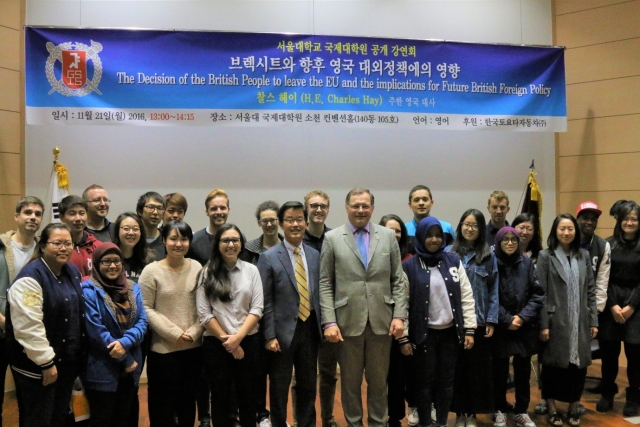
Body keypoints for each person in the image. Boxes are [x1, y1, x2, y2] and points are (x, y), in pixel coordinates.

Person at [319, 187, 407, 427]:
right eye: (355, 205)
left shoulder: (387, 236)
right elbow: (326, 283)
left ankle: (379, 424)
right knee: (350, 383)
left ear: (372, 208)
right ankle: (354, 424)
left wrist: (399, 316)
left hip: (382, 322)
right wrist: (329, 321)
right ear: (347, 208)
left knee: (379, 384)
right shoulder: (332, 238)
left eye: (365, 205)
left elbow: (397, 279)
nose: (360, 210)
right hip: (347, 323)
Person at [6, 223, 86, 427]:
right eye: (57, 243)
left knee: (59, 417)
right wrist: (46, 362)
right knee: (38, 419)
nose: (64, 248)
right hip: (38, 366)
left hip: (66, 363)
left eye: (68, 243)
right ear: (42, 246)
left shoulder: (71, 271)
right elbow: (28, 326)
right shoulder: (30, 278)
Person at [403, 217, 476, 427]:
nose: (434, 240)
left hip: (450, 335)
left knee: (446, 384)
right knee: (424, 384)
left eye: (438, 235)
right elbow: (403, 303)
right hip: (423, 335)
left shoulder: (453, 261)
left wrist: (470, 329)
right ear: (420, 237)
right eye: (429, 235)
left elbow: (466, 296)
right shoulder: (410, 266)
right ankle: (426, 423)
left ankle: (442, 423)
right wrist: (405, 337)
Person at [259, 202, 322, 427]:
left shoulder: (315, 255)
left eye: (299, 220)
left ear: (306, 222)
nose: (295, 224)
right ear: (281, 224)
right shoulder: (268, 257)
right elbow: (264, 301)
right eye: (289, 220)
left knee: (307, 384)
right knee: (279, 386)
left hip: (310, 328)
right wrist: (269, 336)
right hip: (281, 333)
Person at [196, 223, 263, 427]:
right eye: (226, 240)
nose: (231, 244)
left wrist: (238, 339)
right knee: (219, 397)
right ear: (218, 244)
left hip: (248, 343)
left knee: (248, 397)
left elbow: (257, 308)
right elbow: (204, 314)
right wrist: (229, 342)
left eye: (235, 240)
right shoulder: (207, 273)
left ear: (241, 244)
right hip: (217, 345)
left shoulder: (251, 270)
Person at [140, 221, 204, 427]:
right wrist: (174, 332)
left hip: (193, 348)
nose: (179, 243)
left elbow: (205, 306)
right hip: (162, 350)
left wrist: (194, 331)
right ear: (164, 241)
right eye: (173, 238)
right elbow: (146, 308)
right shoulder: (151, 271)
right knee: (162, 406)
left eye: (183, 239)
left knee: (187, 403)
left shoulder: (197, 267)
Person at [537, 214, 598, 427]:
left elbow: (590, 291)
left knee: (578, 367)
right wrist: (543, 324)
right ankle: (552, 408)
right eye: (562, 228)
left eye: (570, 228)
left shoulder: (583, 255)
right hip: (555, 321)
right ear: (555, 231)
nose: (566, 233)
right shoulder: (546, 256)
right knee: (553, 367)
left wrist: (594, 321)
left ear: (575, 231)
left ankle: (574, 406)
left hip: (579, 321)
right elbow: (540, 293)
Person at [81, 243, 148, 427]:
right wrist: (125, 360)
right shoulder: (88, 290)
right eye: (106, 261)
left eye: (116, 261)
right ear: (96, 263)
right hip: (102, 367)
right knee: (102, 419)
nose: (112, 266)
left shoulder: (133, 288)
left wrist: (125, 343)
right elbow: (95, 330)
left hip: (130, 370)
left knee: (124, 418)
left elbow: (142, 321)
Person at [447, 209, 499, 427]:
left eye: (475, 225)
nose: (469, 228)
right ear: (460, 227)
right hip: (452, 323)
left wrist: (491, 319)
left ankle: (472, 414)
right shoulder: (449, 253)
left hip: (478, 323)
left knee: (476, 371)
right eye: (466, 224)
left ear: (480, 230)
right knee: (456, 370)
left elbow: (494, 288)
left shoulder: (489, 256)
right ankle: (459, 412)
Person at [491, 226, 544, 427]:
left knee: (523, 371)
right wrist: (506, 319)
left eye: (514, 239)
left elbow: (537, 294)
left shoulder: (527, 263)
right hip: (501, 327)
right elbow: (488, 296)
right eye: (506, 240)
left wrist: (521, 318)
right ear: (498, 242)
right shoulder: (491, 263)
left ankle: (521, 411)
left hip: (524, 327)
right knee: (499, 370)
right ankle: (499, 409)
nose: (511, 243)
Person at [0, 196, 45, 426]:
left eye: (38, 214)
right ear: (16, 216)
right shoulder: (0, 247)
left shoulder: (45, 250)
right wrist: (5, 322)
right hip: (1, 332)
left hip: (29, 338)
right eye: (28, 212)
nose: (33, 217)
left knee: (30, 402)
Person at [596, 202, 640, 416]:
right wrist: (613, 305)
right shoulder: (608, 244)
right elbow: (603, 279)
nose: (630, 222)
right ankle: (607, 395)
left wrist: (631, 306)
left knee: (635, 356)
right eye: (626, 218)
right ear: (619, 220)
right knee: (609, 356)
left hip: (637, 306)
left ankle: (633, 398)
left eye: (634, 219)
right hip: (611, 303)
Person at [302, 190, 339, 427]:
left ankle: (328, 419)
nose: (318, 209)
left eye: (323, 206)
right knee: (302, 377)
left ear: (328, 209)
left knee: (328, 373)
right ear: (306, 209)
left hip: (328, 317)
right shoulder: (296, 238)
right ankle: (301, 420)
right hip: (303, 319)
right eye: (313, 205)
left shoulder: (336, 238)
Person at [378, 214, 413, 427]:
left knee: (398, 377)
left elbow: (408, 300)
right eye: (389, 229)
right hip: (377, 328)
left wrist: (404, 336)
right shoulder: (374, 258)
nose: (393, 234)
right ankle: (378, 416)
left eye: (398, 230)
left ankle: (395, 418)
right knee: (378, 379)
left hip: (400, 330)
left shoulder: (409, 261)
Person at [59, 195, 100, 277]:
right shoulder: (56, 248)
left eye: (82, 213)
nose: (78, 218)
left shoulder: (98, 247)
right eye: (72, 213)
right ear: (61, 218)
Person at [405, 185, 455, 250]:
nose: (421, 203)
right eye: (416, 200)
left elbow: (453, 254)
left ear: (431, 203)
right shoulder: (404, 230)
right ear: (410, 205)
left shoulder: (446, 228)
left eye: (425, 199)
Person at [190, 189, 232, 265]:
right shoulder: (195, 241)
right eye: (214, 209)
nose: (219, 212)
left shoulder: (238, 239)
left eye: (222, 208)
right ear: (207, 212)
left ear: (228, 210)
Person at [112, 212, 149, 282]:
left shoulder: (147, 260)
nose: (131, 233)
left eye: (135, 229)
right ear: (117, 231)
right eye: (126, 229)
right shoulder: (108, 258)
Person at [244, 200, 283, 265]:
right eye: (265, 221)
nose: (269, 224)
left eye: (272, 220)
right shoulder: (248, 249)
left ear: (279, 221)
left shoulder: (289, 247)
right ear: (259, 223)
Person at [136, 191, 166, 262]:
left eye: (159, 208)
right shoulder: (133, 238)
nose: (155, 212)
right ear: (140, 211)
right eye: (151, 207)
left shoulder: (166, 240)